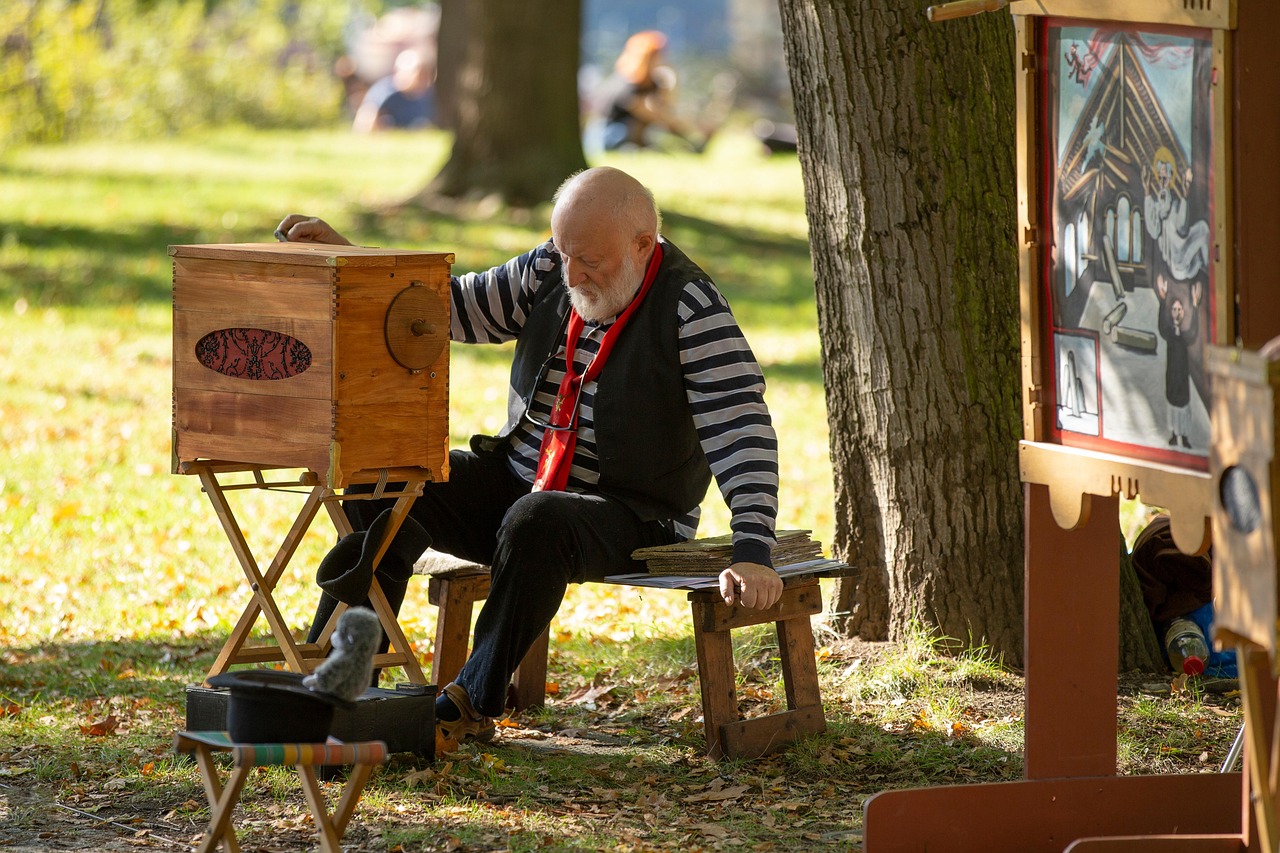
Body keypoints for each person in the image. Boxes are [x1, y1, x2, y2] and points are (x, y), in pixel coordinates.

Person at [275, 166, 782, 745]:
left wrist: (752, 549)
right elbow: (452, 308)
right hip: (522, 482)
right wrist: (356, 258)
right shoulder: (551, 266)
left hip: (633, 513)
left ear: (644, 245)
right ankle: (342, 677)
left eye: (590, 261)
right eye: (565, 253)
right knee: (384, 477)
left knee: (536, 519)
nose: (572, 273)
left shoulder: (692, 305)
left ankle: (467, 704)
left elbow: (740, 426)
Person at [593, 31, 709, 152]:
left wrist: (670, 81)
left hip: (633, 135)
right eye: (657, 56)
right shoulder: (628, 85)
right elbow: (654, 116)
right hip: (612, 135)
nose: (662, 59)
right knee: (648, 130)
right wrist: (688, 134)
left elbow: (666, 108)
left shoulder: (651, 82)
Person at [352, 48, 436, 132]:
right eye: (417, 73)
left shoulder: (428, 96)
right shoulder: (383, 92)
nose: (421, 78)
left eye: (423, 73)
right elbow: (364, 125)